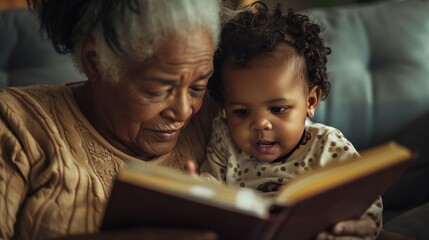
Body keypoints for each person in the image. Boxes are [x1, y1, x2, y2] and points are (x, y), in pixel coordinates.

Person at [0, 0, 221, 239]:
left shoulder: (218, 119)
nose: (183, 111)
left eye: (197, 87)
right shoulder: (17, 123)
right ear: (96, 62)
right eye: (157, 91)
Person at [199, 2, 383, 239]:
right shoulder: (225, 138)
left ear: (311, 101)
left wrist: (356, 226)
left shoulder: (328, 146)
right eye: (241, 112)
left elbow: (366, 202)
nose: (261, 124)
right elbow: (211, 181)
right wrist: (198, 192)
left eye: (278, 109)